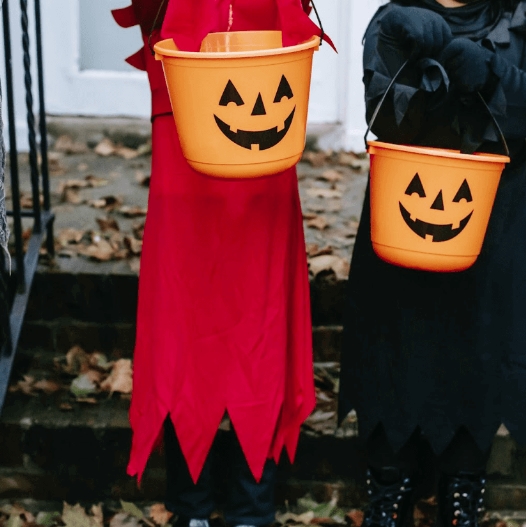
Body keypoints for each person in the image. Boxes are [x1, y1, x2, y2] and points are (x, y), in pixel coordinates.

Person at [339, 1, 526, 526]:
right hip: (407, 213)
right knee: (394, 345)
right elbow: (383, 107)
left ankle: (462, 488)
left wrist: (492, 74)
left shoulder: (521, 17)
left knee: (480, 346)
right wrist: (407, 55)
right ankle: (389, 484)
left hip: (490, 219)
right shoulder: (391, 17)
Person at [111, 1, 324, 526]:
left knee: (261, 322)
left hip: (262, 144)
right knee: (186, 324)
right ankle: (192, 508)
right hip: (187, 151)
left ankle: (253, 506)